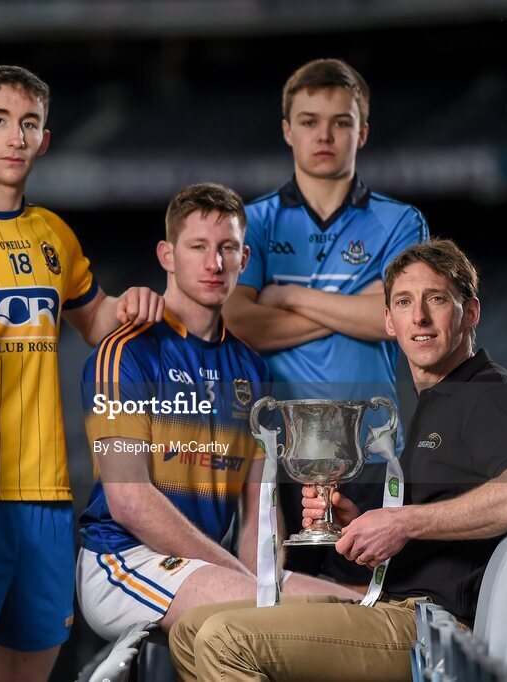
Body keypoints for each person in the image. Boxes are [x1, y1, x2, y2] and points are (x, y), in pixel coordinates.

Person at [169, 238, 507, 681]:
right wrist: (357, 524)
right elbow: (433, 526)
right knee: (189, 629)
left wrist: (403, 522)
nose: (420, 317)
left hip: (433, 629)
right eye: (405, 302)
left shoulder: (488, 392)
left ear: (470, 313)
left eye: (437, 300)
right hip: (393, 603)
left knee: (223, 638)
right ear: (389, 321)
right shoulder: (436, 398)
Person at [0, 65, 163, 681]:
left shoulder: (54, 235)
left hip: (46, 500)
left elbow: (96, 322)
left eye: (29, 124)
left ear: (45, 139)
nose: (15, 137)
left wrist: (137, 305)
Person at [77, 183, 360, 643]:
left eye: (228, 248)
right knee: (270, 615)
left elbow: (258, 509)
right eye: (198, 247)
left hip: (211, 567)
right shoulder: (126, 353)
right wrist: (245, 581)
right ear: (167, 255)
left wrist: (260, 576)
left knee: (358, 609)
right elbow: (129, 502)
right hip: (125, 560)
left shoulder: (252, 368)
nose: (215, 263)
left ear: (244, 259)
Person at [223, 58, 429, 587]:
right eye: (310, 120)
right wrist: (354, 307)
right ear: (288, 131)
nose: (325, 134)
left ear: (362, 130)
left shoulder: (400, 221)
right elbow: (243, 322)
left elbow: (394, 320)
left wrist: (289, 295)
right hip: (272, 454)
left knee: (364, 608)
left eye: (341, 122)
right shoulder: (256, 221)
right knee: (272, 608)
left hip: (371, 450)